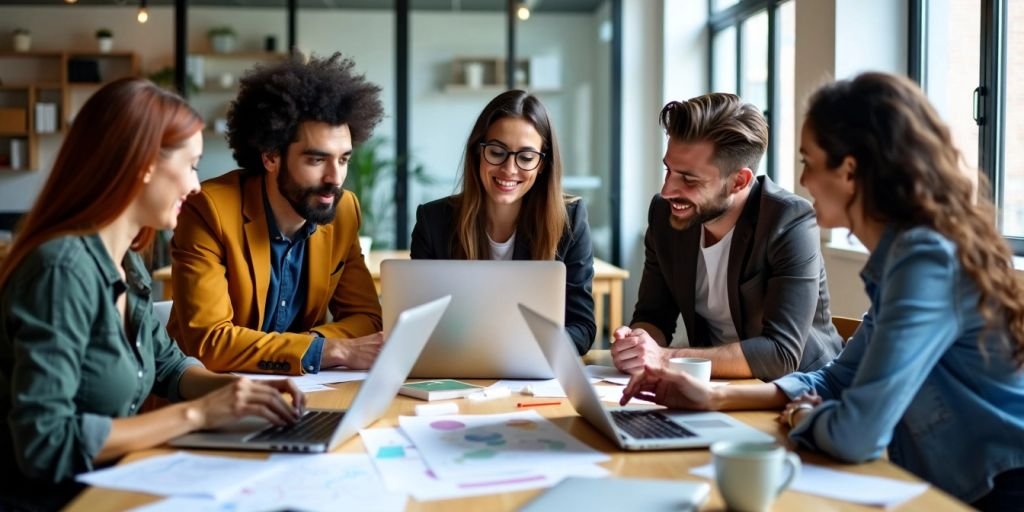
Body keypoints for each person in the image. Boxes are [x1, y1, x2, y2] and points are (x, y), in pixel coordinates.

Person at [620, 72, 1024, 509]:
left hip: (997, 488)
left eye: (809, 161)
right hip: (955, 480)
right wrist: (714, 396)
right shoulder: (902, 258)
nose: (805, 179)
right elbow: (836, 378)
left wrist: (803, 415)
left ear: (849, 171)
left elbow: (856, 434)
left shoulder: (924, 261)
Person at [0, 78, 304, 511]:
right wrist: (198, 414)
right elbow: (45, 441)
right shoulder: (61, 270)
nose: (197, 185)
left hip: (115, 486)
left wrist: (239, 391)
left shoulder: (126, 258)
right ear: (144, 163)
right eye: (192, 164)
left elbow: (168, 367)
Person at [168, 53, 385, 375]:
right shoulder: (209, 210)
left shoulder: (343, 211)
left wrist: (308, 346)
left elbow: (367, 319)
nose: (335, 179)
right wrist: (329, 349)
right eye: (316, 160)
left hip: (296, 391)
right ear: (271, 157)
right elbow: (210, 343)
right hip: (210, 396)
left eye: (343, 160)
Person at [611, 93, 842, 380]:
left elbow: (780, 354)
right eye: (668, 170)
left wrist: (665, 357)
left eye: (689, 179)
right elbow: (654, 314)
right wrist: (638, 343)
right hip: (712, 385)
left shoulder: (790, 221)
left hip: (796, 392)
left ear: (739, 181)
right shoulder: (664, 214)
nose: (668, 189)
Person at [411, 90, 596, 355]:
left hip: (533, 370)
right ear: (478, 152)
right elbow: (419, 323)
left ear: (542, 164)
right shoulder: (434, 221)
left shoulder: (570, 219)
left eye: (526, 157)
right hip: (458, 368)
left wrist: (524, 350)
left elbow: (582, 327)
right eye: (497, 152)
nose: (509, 169)